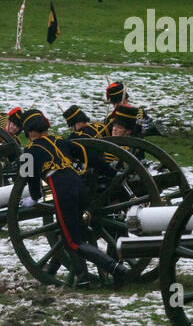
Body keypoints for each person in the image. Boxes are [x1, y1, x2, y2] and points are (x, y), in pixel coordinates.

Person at [16, 109, 129, 286]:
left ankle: (115, 268)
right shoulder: (60, 141)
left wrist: (34, 198)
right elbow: (90, 157)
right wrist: (112, 173)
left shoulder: (29, 151)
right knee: (77, 231)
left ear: (30, 132)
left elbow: (29, 180)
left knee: (71, 241)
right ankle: (83, 278)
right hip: (80, 187)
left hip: (63, 191)